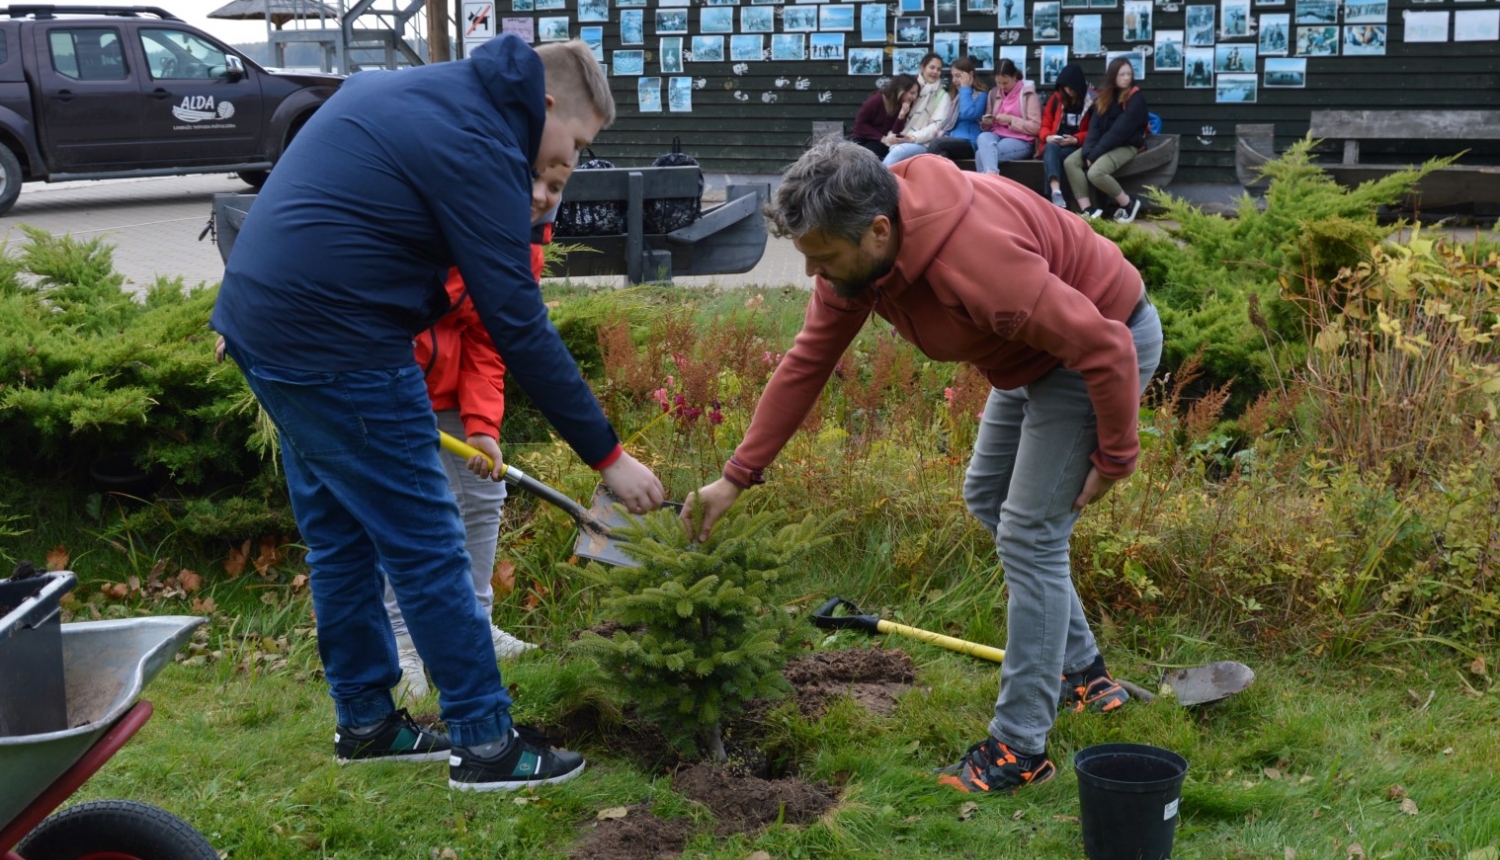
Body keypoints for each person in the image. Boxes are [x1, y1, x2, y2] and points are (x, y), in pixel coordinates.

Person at [210, 35, 665, 792]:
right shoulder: (482, 139)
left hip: (262, 327)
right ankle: (486, 743)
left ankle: (366, 723)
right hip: (340, 343)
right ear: (546, 104)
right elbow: (516, 321)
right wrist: (608, 457)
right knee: (426, 540)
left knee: (340, 536)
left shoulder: (420, 92)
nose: (570, 163)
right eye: (576, 144)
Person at [681, 140, 1162, 795]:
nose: (813, 276)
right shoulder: (859, 261)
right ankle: (1086, 677)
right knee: (988, 496)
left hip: (1101, 345)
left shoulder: (975, 262)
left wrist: (1116, 457)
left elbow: (1103, 345)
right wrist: (735, 476)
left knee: (1030, 532)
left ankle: (1019, 749)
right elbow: (806, 364)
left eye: (822, 258)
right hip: (1031, 358)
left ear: (879, 231)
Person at [387, 162, 572, 703]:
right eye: (532, 182)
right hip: (381, 379)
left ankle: (475, 624)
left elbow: (490, 338)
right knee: (399, 507)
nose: (539, 197)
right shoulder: (434, 210)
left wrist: (482, 426)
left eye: (555, 188)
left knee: (484, 488)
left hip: (445, 390)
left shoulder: (527, 242)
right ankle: (401, 642)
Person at [1065, 57, 1150, 223]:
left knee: (1095, 173)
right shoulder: (1103, 97)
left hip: (1127, 144)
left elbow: (1120, 131)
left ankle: (1128, 203)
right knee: (1071, 162)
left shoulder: (1136, 99)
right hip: (1104, 143)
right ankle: (1088, 210)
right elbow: (1094, 127)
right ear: (1113, 76)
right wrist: (1088, 152)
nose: (1126, 78)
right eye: (1122, 74)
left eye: (1129, 74)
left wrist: (1094, 154)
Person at [1035, 63, 1095, 207]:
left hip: (1076, 146)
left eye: (1072, 88)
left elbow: (1094, 131)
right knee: (1051, 148)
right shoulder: (1056, 99)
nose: (1069, 91)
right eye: (1065, 88)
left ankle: (1054, 198)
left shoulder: (1092, 101)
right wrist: (1047, 136)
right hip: (1055, 143)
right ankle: (1056, 192)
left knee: (1052, 154)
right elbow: (1045, 125)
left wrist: (1075, 139)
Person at [882, 53, 952, 167]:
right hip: (898, 136)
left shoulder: (943, 96)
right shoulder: (910, 88)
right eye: (932, 67)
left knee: (898, 152)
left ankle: (877, 183)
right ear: (922, 67)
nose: (935, 72)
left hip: (924, 143)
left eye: (939, 69)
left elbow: (936, 127)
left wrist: (913, 138)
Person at [974, 58, 1040, 175]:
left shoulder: (1028, 94)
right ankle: (992, 176)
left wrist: (1011, 119)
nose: (1002, 86)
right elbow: (988, 127)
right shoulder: (993, 93)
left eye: (1005, 83)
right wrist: (987, 122)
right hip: (996, 135)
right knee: (983, 137)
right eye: (998, 82)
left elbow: (1035, 127)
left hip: (1020, 140)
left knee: (981, 154)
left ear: (1014, 76)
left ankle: (989, 183)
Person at [923, 55, 989, 164]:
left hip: (969, 143)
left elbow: (968, 114)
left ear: (970, 75)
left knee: (937, 143)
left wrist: (965, 88)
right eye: (953, 76)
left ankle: (923, 179)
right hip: (951, 140)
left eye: (958, 76)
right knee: (942, 157)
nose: (954, 80)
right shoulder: (955, 96)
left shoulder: (980, 95)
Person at [849, 74, 919, 160]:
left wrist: (901, 116)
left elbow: (896, 132)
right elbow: (860, 124)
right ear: (901, 90)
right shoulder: (876, 100)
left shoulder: (904, 105)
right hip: (862, 139)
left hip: (882, 144)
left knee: (875, 153)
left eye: (916, 93)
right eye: (912, 93)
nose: (914, 97)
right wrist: (882, 138)